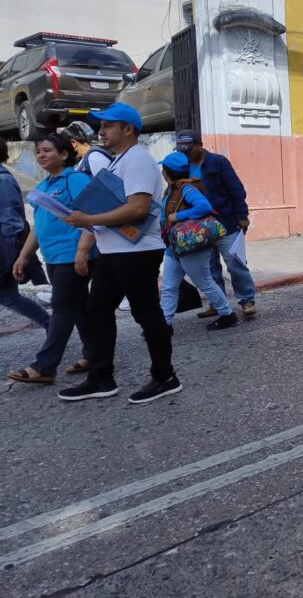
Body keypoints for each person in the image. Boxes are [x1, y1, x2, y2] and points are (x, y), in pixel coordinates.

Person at [60, 103, 180, 404]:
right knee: (97, 312)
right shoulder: (117, 161)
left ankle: (165, 377)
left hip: (137, 253)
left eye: (108, 125)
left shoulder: (137, 159)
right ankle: (101, 377)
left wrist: (88, 220)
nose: (100, 131)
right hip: (114, 252)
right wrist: (86, 241)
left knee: (147, 314)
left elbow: (137, 208)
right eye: (100, 126)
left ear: (128, 129)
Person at [7, 134, 96, 385]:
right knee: (78, 306)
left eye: (47, 150)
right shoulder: (44, 186)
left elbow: (91, 215)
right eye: (38, 152)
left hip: (73, 254)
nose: (41, 155)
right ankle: (94, 355)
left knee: (62, 307)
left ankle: (45, 367)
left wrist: (83, 250)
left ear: (64, 155)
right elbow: (38, 227)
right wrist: (24, 256)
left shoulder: (75, 179)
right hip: (53, 256)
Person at [174, 130, 257, 318]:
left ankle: (247, 300)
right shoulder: (182, 167)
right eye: (182, 150)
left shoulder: (218, 162)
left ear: (200, 144)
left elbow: (236, 189)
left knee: (235, 263)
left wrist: (242, 216)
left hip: (226, 222)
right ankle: (217, 304)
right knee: (210, 267)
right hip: (199, 228)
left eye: (189, 149)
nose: (185, 153)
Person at [157, 151, 238, 331]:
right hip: (175, 245)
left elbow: (205, 207)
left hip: (191, 245)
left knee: (205, 282)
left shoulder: (186, 189)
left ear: (167, 172)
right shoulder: (173, 189)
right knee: (169, 286)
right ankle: (164, 325)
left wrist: (179, 215)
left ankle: (227, 314)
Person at [0, 137, 50, 334]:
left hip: (4, 251)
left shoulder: (2, 181)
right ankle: (51, 325)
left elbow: (11, 224)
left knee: (8, 297)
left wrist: (10, 260)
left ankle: (51, 325)